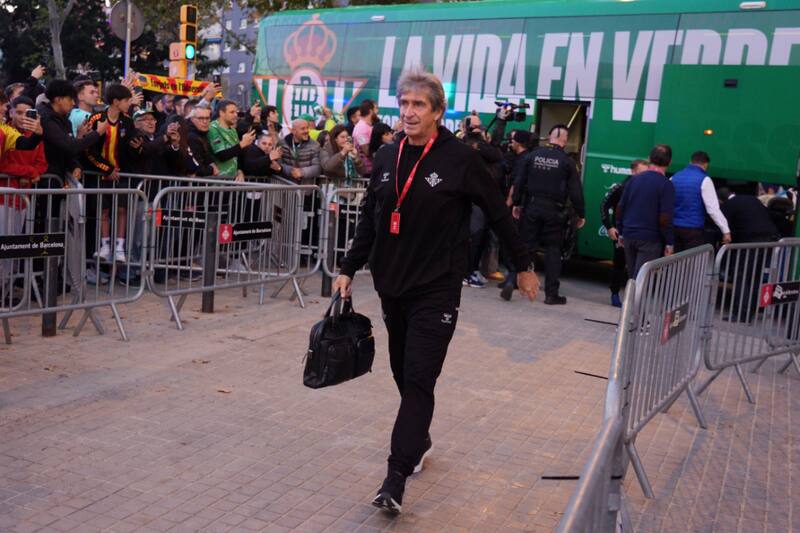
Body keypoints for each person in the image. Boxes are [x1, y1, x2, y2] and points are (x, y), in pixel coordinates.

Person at [333, 67, 539, 516]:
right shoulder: (387, 156)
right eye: (404, 103)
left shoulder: (460, 159)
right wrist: (348, 267)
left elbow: (498, 214)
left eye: (419, 105)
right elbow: (370, 218)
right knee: (403, 374)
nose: (409, 112)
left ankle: (395, 478)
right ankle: (419, 438)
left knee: (419, 379)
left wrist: (523, 265)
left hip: (437, 289)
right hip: (392, 286)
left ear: (438, 112)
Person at [504, 124, 585, 304]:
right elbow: (575, 191)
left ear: (549, 136)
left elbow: (520, 181)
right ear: (565, 140)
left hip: (532, 207)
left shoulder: (533, 155)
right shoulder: (567, 162)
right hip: (554, 211)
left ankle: (512, 280)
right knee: (553, 250)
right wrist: (580, 213)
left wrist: (516, 203)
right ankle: (551, 294)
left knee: (526, 247)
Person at [82, 83, 137, 263]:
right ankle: (104, 246)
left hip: (121, 175)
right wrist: (107, 168)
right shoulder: (96, 118)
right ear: (115, 102)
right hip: (100, 174)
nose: (129, 104)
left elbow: (132, 146)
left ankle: (120, 247)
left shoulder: (128, 121)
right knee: (103, 210)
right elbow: (88, 150)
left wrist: (138, 147)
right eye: (127, 100)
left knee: (122, 209)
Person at [718, 187, 780, 321]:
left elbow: (724, 227)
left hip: (751, 241)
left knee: (742, 276)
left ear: (721, 200)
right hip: (770, 239)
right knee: (755, 276)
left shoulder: (728, 205)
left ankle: (741, 314)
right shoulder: (752, 199)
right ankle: (752, 309)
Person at [616, 144, 675, 278]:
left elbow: (620, 207)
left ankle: (631, 292)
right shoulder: (666, 184)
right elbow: (665, 218)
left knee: (633, 277)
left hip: (629, 234)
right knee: (642, 279)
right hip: (650, 238)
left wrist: (621, 232)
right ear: (669, 162)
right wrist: (669, 242)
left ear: (649, 158)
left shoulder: (633, 180)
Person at [601, 159, 648, 307]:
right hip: (621, 232)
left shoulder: (647, 189)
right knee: (619, 263)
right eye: (642, 172)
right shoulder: (621, 187)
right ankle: (615, 293)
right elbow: (604, 205)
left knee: (637, 266)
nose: (644, 176)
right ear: (633, 172)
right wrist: (609, 227)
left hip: (639, 233)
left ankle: (634, 298)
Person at [37, 79, 105, 181]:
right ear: (58, 100)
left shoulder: (64, 119)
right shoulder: (45, 119)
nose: (73, 103)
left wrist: (75, 166)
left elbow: (67, 150)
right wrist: (97, 133)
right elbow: (69, 145)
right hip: (45, 179)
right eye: (70, 99)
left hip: (59, 178)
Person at [671, 151, 731, 251]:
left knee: (676, 259)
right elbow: (713, 209)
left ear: (690, 162)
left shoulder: (674, 177)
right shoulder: (705, 180)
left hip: (674, 227)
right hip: (693, 229)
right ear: (705, 164)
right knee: (692, 259)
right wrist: (725, 230)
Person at [208, 99, 256, 178]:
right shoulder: (213, 128)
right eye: (232, 112)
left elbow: (237, 154)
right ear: (221, 113)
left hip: (232, 179)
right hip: (218, 180)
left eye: (236, 112)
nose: (235, 115)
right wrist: (242, 144)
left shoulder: (233, 130)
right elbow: (221, 155)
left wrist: (239, 171)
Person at [278, 118, 321, 184]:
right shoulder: (282, 143)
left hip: (306, 187)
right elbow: (278, 163)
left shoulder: (315, 145)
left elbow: (317, 167)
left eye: (307, 128)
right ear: (293, 131)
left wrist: (302, 172)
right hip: (286, 186)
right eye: (303, 129)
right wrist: (291, 171)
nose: (306, 131)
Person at [185, 106, 219, 177]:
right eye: (201, 118)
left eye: (207, 118)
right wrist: (212, 169)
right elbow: (196, 167)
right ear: (192, 119)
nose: (205, 121)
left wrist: (212, 163)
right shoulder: (191, 137)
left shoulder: (203, 134)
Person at [353, 99, 378, 172]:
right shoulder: (361, 128)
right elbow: (366, 151)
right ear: (370, 111)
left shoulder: (368, 126)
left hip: (372, 168)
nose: (378, 111)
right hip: (366, 171)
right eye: (376, 108)